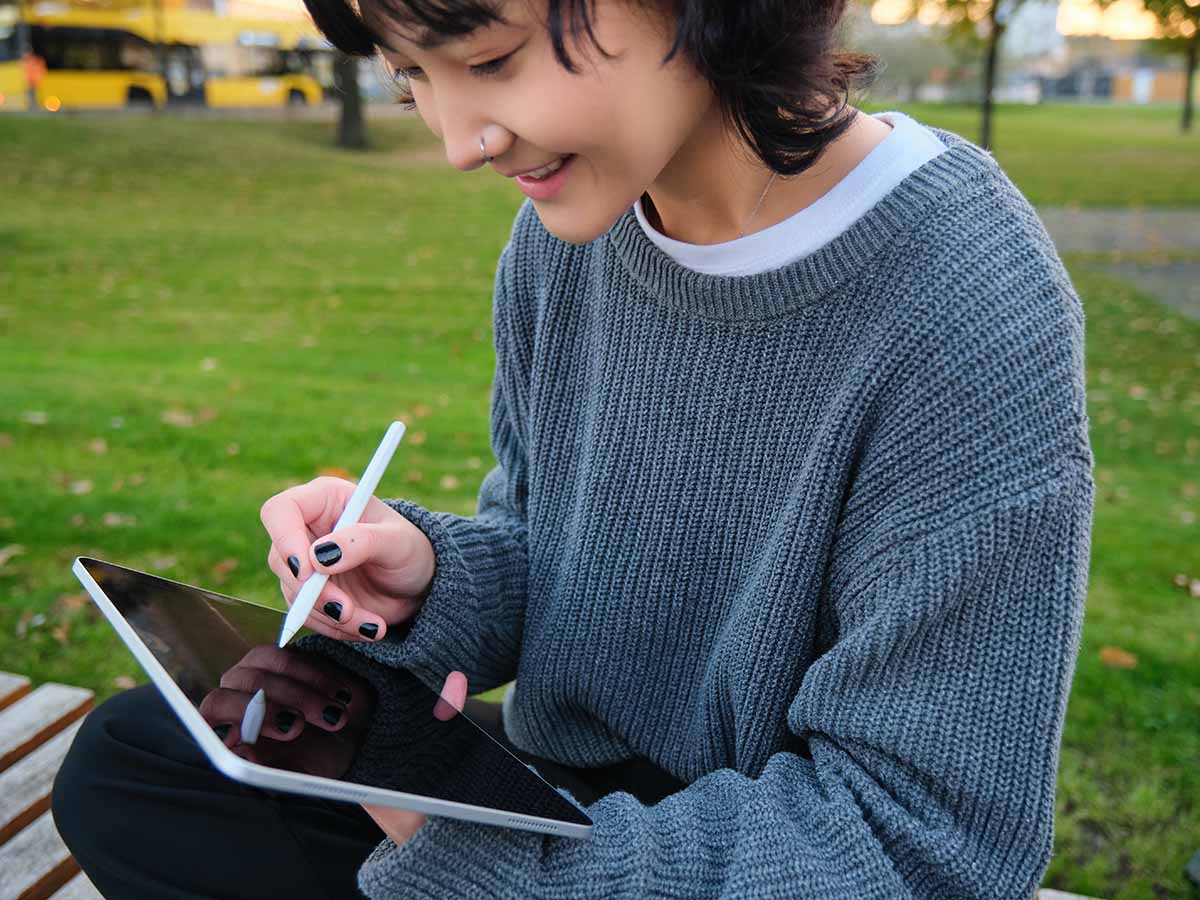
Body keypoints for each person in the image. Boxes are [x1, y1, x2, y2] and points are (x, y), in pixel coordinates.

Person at [52, 0, 1097, 896]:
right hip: (569, 796)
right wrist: (426, 578)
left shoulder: (962, 295)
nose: (460, 140)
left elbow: (926, 842)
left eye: (492, 59)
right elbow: (552, 555)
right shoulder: (567, 240)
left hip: (776, 855)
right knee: (134, 766)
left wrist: (508, 874)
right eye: (412, 73)